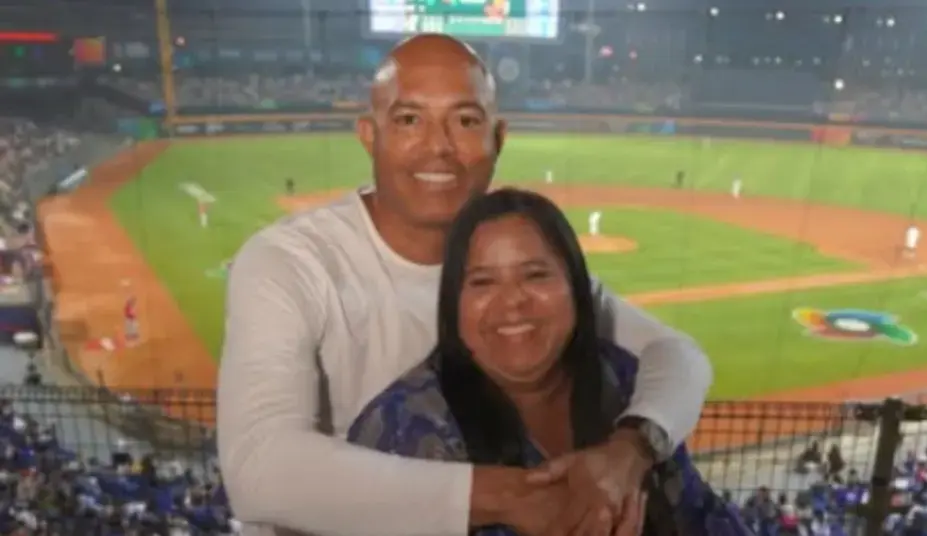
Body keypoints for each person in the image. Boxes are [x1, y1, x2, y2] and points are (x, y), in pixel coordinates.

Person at [218, 34, 712, 536]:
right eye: (410, 119)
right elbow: (259, 467)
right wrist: (512, 498)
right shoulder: (290, 262)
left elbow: (677, 354)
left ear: (498, 138)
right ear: (369, 135)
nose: (439, 147)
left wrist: (630, 449)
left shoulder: (516, 255)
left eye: (466, 120)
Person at [348, 188, 750, 536]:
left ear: (577, 288)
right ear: (454, 305)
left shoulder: (626, 384)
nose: (513, 302)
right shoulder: (399, 431)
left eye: (536, 275)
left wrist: (631, 450)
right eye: (483, 282)